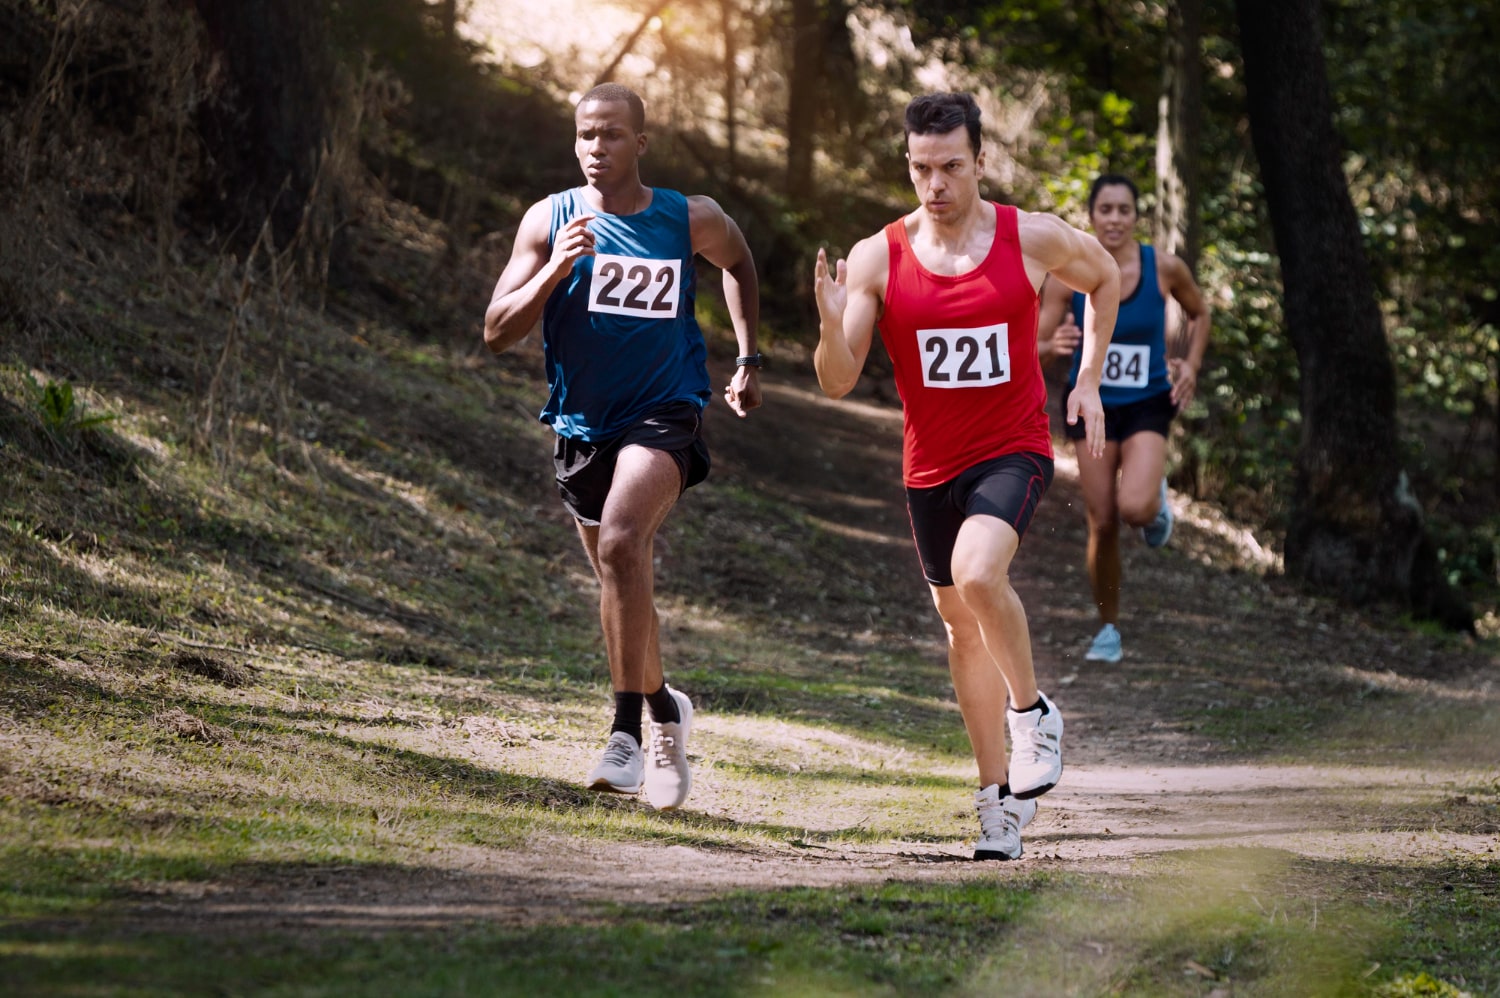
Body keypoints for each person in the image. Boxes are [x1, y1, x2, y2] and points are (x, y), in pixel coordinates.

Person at [812, 92, 1119, 861]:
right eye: (921, 169)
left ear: (980, 160)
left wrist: (1088, 380)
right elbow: (839, 380)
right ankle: (997, 802)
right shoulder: (880, 254)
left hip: (1013, 448)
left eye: (951, 166)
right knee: (960, 630)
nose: (936, 184)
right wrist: (828, 321)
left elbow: (1107, 277)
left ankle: (1033, 715)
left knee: (979, 573)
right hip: (929, 469)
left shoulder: (1030, 237)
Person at [483, 82, 762, 810]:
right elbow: (495, 330)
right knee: (622, 578)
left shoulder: (685, 217)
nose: (595, 149)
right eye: (584, 135)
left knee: (620, 544)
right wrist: (554, 270)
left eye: (611, 135)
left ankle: (627, 734)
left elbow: (739, 261)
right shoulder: (551, 220)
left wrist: (748, 358)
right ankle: (668, 710)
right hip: (581, 426)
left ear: (641, 143)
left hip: (664, 411)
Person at [1037, 174, 1210, 665]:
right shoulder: (1066, 273)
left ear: (1137, 217)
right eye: (1105, 209)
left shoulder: (1163, 268)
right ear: (1091, 216)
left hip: (1148, 401)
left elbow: (1199, 314)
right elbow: (1033, 344)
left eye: (1124, 210)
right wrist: (1053, 346)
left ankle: (1153, 501)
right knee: (1103, 521)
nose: (1114, 219)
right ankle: (1108, 628)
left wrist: (1189, 365)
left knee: (1132, 509)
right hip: (1090, 404)